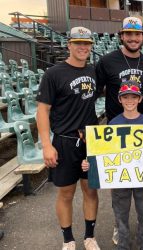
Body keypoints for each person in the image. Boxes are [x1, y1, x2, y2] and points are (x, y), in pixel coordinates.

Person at [95, 16, 143, 243]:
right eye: (129, 34)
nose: (133, 38)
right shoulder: (107, 61)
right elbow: (95, 91)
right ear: (121, 36)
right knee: (119, 183)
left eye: (137, 34)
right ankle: (118, 225)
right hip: (117, 126)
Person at [36, 27, 100, 250]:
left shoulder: (93, 71)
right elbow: (42, 110)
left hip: (91, 139)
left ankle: (90, 237)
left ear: (91, 46)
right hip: (64, 140)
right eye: (78, 43)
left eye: (87, 43)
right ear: (69, 45)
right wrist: (46, 145)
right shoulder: (53, 73)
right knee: (66, 192)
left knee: (91, 190)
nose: (83, 47)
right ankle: (68, 239)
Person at [83, 80, 143, 250]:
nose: (129, 100)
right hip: (120, 179)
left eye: (133, 97)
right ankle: (123, 243)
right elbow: (105, 152)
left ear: (140, 99)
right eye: (125, 97)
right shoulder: (113, 123)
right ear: (119, 99)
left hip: (141, 177)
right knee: (120, 213)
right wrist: (90, 163)